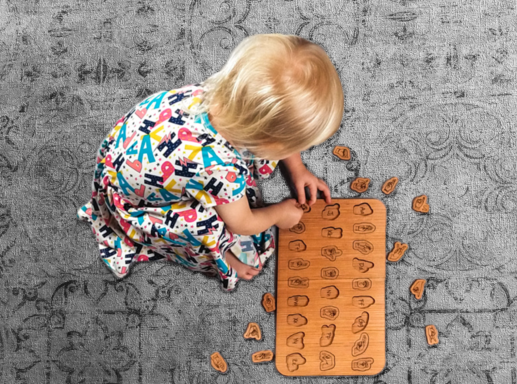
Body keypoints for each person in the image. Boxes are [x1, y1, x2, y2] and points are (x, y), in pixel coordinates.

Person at [76, 33, 344, 291]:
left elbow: (271, 126)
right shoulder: (222, 170)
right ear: (270, 144)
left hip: (127, 152)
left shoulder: (220, 92)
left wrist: (296, 169)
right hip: (139, 202)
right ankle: (222, 258)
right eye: (296, 145)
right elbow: (242, 223)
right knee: (207, 226)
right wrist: (279, 214)